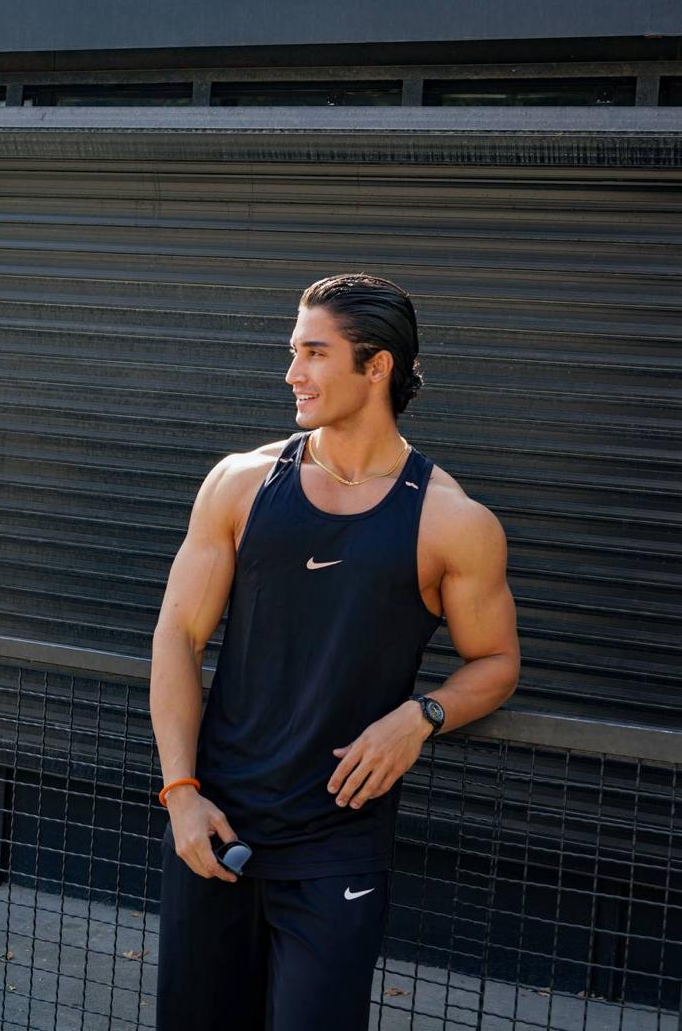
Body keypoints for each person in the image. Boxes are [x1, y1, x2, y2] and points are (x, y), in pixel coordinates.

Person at [150, 272, 520, 1030]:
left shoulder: (452, 522)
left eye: (315, 353)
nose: (293, 372)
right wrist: (180, 793)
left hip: (338, 846)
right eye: (294, 351)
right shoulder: (240, 484)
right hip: (214, 826)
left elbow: (496, 662)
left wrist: (419, 717)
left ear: (376, 365)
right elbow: (178, 637)